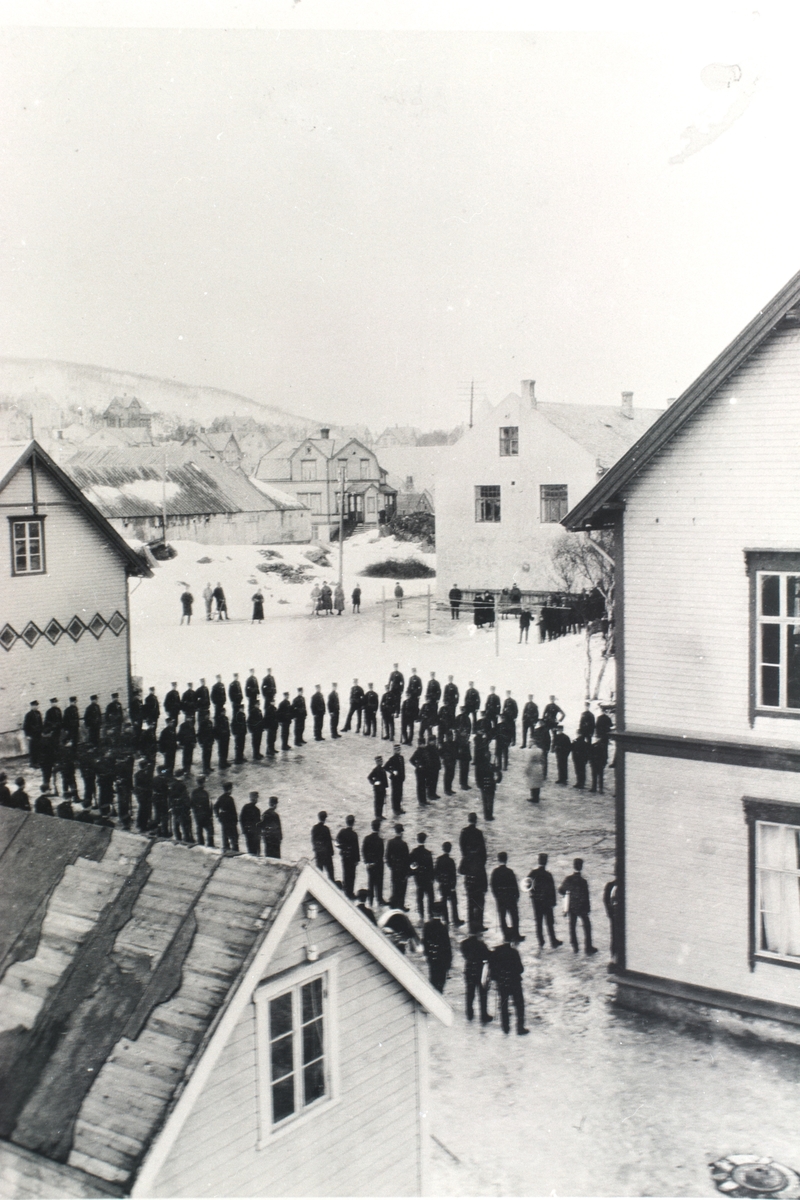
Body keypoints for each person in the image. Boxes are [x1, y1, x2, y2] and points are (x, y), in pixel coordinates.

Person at [559, 858, 598, 954]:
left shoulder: (568, 879)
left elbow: (561, 890)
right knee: (587, 926)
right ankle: (588, 947)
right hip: (582, 907)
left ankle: (575, 946)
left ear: (574, 866)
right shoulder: (583, 881)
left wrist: (567, 895)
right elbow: (586, 896)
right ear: (581, 867)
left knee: (572, 926)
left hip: (572, 907)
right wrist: (588, 908)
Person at [488, 941, 529, 1035]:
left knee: (503, 1004)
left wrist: (497, 978)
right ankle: (520, 1027)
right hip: (514, 982)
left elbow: (492, 970)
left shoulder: (496, 952)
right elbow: (520, 969)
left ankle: (505, 1027)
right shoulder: (514, 952)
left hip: (502, 982)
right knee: (519, 1005)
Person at [526, 852, 562, 950]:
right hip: (547, 902)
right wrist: (553, 902)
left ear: (539, 861)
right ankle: (553, 941)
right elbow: (552, 890)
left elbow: (526, 884)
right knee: (549, 922)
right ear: (546, 862)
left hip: (536, 902)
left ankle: (541, 941)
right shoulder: (548, 875)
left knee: (539, 922)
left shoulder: (533, 873)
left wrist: (532, 893)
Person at [491, 852, 524, 942]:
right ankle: (516, 935)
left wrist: (497, 896)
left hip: (500, 898)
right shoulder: (510, 871)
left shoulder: (495, 872)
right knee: (514, 916)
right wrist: (516, 896)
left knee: (502, 917)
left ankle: (506, 936)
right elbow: (514, 885)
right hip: (510, 898)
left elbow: (493, 886)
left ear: (498, 859)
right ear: (506, 859)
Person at [460, 933, 492, 1023]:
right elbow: (488, 955)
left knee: (470, 993)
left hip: (469, 970)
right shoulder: (481, 945)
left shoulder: (464, 943)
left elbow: (465, 954)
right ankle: (483, 1015)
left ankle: (469, 1013)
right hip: (479, 971)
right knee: (482, 994)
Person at [423, 903, 451, 993]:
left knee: (433, 979)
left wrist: (428, 954)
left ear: (432, 912)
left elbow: (425, 942)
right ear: (441, 913)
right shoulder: (443, 928)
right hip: (441, 959)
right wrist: (448, 962)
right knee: (441, 982)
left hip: (432, 958)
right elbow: (447, 946)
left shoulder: (427, 926)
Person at [435, 841, 462, 927]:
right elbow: (453, 875)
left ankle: (446, 920)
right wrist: (453, 887)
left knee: (444, 902)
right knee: (453, 903)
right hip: (450, 885)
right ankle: (455, 920)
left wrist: (439, 881)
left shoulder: (439, 859)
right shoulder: (451, 861)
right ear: (450, 850)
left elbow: (436, 872)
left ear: (443, 849)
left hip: (442, 884)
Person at [409, 831, 435, 922]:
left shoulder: (414, 852)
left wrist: (414, 872)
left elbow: (410, 864)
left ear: (417, 840)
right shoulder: (428, 853)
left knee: (420, 897)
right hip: (427, 879)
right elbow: (431, 868)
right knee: (430, 897)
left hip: (419, 879)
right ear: (425, 840)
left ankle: (421, 915)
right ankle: (430, 914)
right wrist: (432, 878)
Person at [386, 823, 411, 910]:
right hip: (402, 868)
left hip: (394, 868)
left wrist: (391, 866)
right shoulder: (404, 844)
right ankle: (401, 905)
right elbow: (407, 859)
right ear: (401, 833)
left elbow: (387, 856)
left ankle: (393, 903)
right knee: (402, 887)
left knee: (394, 885)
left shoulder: (390, 842)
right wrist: (407, 871)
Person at [336, 814, 360, 899]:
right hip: (352, 858)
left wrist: (342, 848)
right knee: (352, 875)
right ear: (353, 823)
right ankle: (350, 892)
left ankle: (346, 890)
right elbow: (356, 848)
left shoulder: (342, 832)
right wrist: (357, 859)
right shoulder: (354, 834)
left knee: (345, 873)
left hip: (344, 856)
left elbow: (337, 842)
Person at [362, 819, 385, 906]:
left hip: (370, 865)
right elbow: (381, 854)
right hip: (378, 865)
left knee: (370, 882)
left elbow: (363, 851)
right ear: (379, 828)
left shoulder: (367, 838)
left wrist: (367, 862)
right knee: (379, 882)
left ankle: (370, 900)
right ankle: (379, 899)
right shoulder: (380, 840)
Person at [214, 782, 239, 852]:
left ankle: (226, 849)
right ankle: (235, 850)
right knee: (234, 836)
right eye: (231, 789)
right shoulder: (230, 799)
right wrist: (236, 820)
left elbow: (215, 807)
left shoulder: (221, 798)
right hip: (230, 820)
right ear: (229, 789)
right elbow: (233, 811)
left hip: (224, 819)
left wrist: (218, 816)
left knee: (225, 835)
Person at [311, 811, 336, 881]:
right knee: (331, 874)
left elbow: (313, 841)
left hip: (319, 854)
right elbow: (329, 842)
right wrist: (332, 852)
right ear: (325, 819)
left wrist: (316, 850)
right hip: (327, 854)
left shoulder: (314, 828)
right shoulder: (326, 829)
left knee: (319, 873)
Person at [190, 777, 214, 847]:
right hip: (205, 814)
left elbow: (192, 804)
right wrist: (210, 815)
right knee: (210, 829)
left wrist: (196, 812)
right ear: (203, 783)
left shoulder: (194, 792)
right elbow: (208, 805)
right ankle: (210, 844)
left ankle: (201, 843)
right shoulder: (205, 793)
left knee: (199, 829)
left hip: (198, 814)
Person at [385, 744, 406, 815]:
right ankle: (395, 808)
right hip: (395, 779)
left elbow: (403, 768)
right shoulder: (392, 758)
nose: (398, 751)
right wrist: (392, 771)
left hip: (400, 779)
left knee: (400, 794)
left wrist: (403, 776)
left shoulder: (401, 758)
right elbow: (386, 767)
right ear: (394, 750)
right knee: (395, 794)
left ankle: (399, 807)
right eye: (396, 750)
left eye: (399, 749)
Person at [240, 791, 262, 856]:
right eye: (256, 798)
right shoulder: (256, 810)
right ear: (254, 798)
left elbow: (241, 819)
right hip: (253, 833)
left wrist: (244, 830)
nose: (256, 799)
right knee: (255, 850)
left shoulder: (246, 807)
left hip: (250, 832)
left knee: (252, 849)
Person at [368, 755, 388, 822]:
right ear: (376, 762)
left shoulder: (382, 769)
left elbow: (385, 780)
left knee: (382, 802)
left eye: (381, 761)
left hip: (382, 789)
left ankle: (380, 815)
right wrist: (374, 782)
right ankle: (377, 815)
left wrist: (385, 787)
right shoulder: (375, 770)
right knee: (377, 802)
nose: (380, 762)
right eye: (379, 761)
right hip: (377, 790)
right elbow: (369, 777)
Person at [525, 739, 546, 804]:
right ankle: (537, 797)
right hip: (539, 767)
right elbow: (543, 760)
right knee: (538, 783)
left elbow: (529, 761)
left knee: (532, 783)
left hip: (533, 767)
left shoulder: (531, 751)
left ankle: (533, 797)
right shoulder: (540, 750)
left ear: (532, 743)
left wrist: (527, 770)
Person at [23, 700, 43, 768]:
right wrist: (27, 735)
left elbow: (40, 723)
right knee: (33, 749)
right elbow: (25, 726)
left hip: (38, 734)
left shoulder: (38, 713)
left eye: (37, 705)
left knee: (39, 748)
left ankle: (38, 761)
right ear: (32, 706)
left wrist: (42, 731)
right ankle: (33, 763)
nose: (37, 707)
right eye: (35, 705)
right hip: (32, 735)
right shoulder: (28, 715)